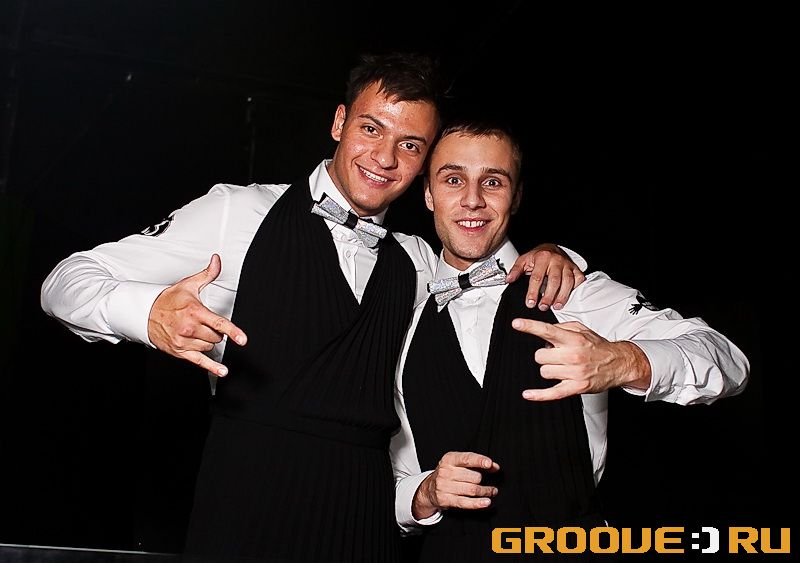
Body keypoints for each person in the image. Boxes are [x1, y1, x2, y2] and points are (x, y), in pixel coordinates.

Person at [40, 54, 585, 563]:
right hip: (245, 512)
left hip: (367, 525)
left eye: (410, 144)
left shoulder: (418, 260)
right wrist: (149, 313)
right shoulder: (239, 212)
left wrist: (552, 254)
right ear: (339, 123)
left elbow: (486, 265)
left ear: (423, 165)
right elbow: (66, 281)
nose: (385, 158)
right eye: (371, 129)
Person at [389, 119, 749, 561]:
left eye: (493, 182)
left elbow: (728, 360)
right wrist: (423, 492)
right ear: (428, 193)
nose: (472, 199)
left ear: (516, 196)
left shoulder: (571, 291)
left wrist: (625, 361)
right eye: (453, 180)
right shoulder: (404, 320)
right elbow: (391, 478)